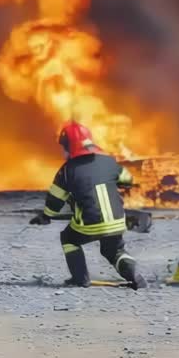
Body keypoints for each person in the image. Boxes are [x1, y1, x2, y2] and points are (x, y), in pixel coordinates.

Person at [28, 121, 147, 289]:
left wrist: (46, 216)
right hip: (117, 221)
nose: (63, 151)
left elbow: (55, 200)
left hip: (89, 224)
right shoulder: (109, 161)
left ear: (70, 146)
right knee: (114, 251)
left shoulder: (67, 170)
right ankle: (134, 275)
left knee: (68, 238)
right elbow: (128, 181)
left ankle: (80, 278)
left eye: (64, 147)